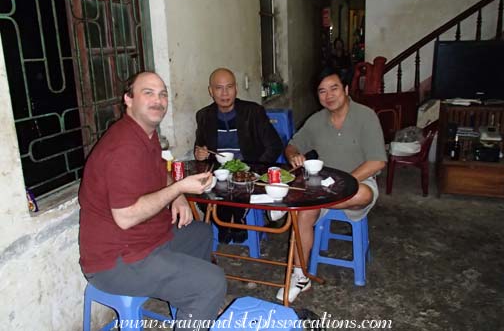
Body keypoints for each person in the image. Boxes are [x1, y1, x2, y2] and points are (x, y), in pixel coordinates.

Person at [79, 71, 226, 330]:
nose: (158, 101)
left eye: (163, 94)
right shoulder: (123, 147)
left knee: (201, 232)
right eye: (148, 93)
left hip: (146, 238)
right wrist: (179, 187)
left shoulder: (146, 133)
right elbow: (126, 217)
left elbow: (159, 167)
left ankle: (192, 307)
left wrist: (178, 195)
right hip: (115, 260)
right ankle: (200, 297)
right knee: (212, 282)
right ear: (128, 99)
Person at [277, 67, 386, 302]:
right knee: (304, 214)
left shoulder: (365, 116)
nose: (329, 95)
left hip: (358, 182)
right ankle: (300, 276)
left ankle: (290, 203)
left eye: (334, 88)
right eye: (322, 91)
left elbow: (377, 162)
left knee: (364, 195)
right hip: (323, 186)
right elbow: (292, 145)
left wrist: (343, 183)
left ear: (346, 89)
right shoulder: (316, 121)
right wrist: (294, 154)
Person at [194, 67, 283, 244]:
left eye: (230, 87)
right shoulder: (204, 116)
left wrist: (253, 169)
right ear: (211, 91)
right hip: (220, 173)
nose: (225, 93)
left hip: (249, 170)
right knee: (200, 192)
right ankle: (225, 224)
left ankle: (234, 221)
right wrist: (200, 153)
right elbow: (200, 147)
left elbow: (274, 145)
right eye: (219, 88)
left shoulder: (253, 112)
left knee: (238, 189)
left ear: (236, 89)